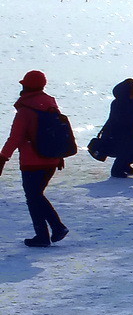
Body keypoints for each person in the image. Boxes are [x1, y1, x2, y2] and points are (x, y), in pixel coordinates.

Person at [0, 71, 69, 247]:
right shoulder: (50, 105)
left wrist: (2, 158)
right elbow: (57, 133)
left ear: (26, 86)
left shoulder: (25, 110)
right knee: (35, 196)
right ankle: (46, 234)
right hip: (51, 160)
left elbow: (15, 138)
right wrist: (59, 155)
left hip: (32, 161)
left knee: (33, 197)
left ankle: (53, 229)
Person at [96, 79, 133, 178]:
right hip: (113, 142)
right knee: (131, 148)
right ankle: (117, 169)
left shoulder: (132, 102)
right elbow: (126, 125)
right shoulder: (120, 104)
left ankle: (124, 165)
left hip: (126, 140)